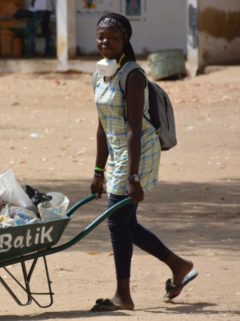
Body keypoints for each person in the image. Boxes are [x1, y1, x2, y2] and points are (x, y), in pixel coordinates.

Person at [89, 12, 198, 312]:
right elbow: (102, 126)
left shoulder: (133, 75)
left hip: (139, 152)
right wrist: (99, 170)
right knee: (126, 223)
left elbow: (134, 128)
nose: (105, 41)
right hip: (119, 152)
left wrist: (133, 176)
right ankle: (179, 266)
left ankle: (123, 294)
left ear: (124, 40)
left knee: (116, 220)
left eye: (112, 37)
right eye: (101, 36)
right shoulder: (98, 74)